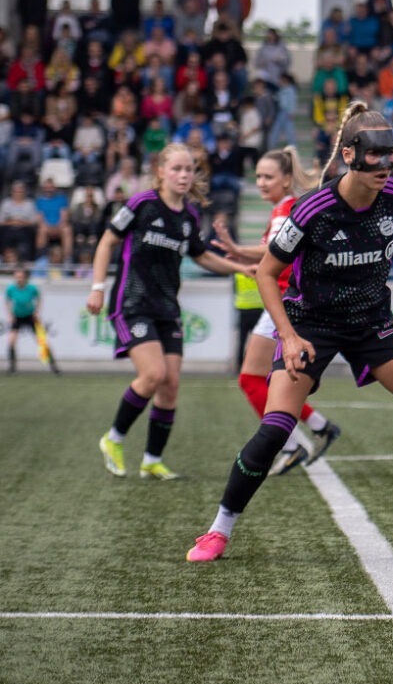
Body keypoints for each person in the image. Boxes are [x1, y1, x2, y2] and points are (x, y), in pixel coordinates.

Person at [184, 102, 393, 563]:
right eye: (375, 156)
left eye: (391, 156)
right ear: (349, 154)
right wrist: (287, 336)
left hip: (373, 324)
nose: (385, 167)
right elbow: (266, 274)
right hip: (312, 327)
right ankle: (218, 530)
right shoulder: (313, 210)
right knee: (273, 432)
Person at [86, 144, 253, 481]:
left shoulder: (189, 217)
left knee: (171, 384)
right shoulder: (141, 204)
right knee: (153, 375)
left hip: (167, 308)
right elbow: (107, 241)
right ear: (160, 171)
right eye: (176, 168)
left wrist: (241, 269)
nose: (183, 175)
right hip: (132, 304)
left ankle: (151, 460)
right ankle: (113, 439)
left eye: (189, 169)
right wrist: (98, 287)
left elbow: (202, 256)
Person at [210, 147, 344, 474]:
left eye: (268, 176)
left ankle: (292, 444)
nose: (260, 182)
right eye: (257, 176)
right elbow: (275, 258)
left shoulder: (286, 210)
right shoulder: (282, 209)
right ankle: (318, 427)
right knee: (266, 379)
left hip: (284, 304)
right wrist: (246, 259)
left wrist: (238, 249)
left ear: (286, 180)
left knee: (252, 379)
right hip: (282, 301)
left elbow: (273, 251)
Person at [6, 268, 61, 375]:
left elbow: (39, 298)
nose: (19, 279)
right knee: (11, 341)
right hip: (17, 317)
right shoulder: (11, 289)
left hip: (31, 317)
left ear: (25, 278)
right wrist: (10, 314)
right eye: (17, 277)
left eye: (21, 277)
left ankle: (53, 366)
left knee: (42, 341)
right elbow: (7, 301)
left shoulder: (32, 288)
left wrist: (36, 311)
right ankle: (12, 367)